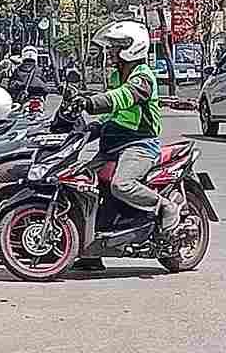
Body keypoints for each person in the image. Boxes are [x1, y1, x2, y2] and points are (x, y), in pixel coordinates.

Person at [67, 19, 180, 242]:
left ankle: (165, 206)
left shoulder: (143, 77)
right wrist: (93, 127)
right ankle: (92, 249)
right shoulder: (117, 76)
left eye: (116, 47)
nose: (110, 52)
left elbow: (123, 97)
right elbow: (113, 113)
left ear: (132, 47)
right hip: (113, 146)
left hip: (139, 145)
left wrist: (90, 103)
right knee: (81, 184)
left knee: (121, 184)